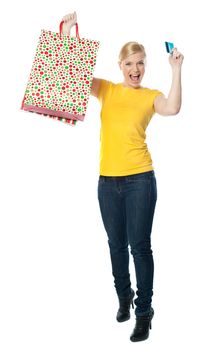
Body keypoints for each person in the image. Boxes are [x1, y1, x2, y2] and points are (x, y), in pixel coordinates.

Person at [62, 12, 184, 342]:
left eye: (141, 63)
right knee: (116, 246)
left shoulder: (149, 96)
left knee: (139, 248)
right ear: (120, 65)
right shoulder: (108, 90)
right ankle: (124, 297)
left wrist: (176, 69)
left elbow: (172, 108)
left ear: (145, 66)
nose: (135, 70)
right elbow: (74, 76)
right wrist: (70, 33)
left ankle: (144, 312)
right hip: (107, 183)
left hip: (140, 181)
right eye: (130, 63)